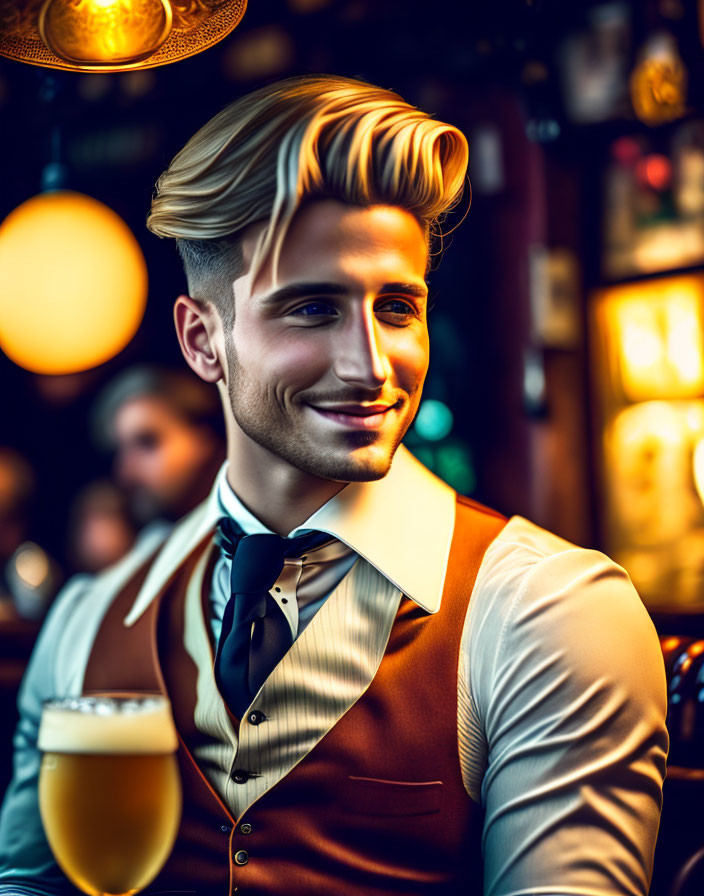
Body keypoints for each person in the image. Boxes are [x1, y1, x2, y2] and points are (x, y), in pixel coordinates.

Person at [0, 74, 667, 896]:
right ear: (203, 341)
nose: (373, 366)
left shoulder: (551, 613)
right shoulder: (88, 621)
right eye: (313, 309)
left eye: (395, 307)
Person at [91, 365, 226, 526]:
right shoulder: (153, 542)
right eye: (118, 452)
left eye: (147, 442)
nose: (125, 473)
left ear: (205, 435)